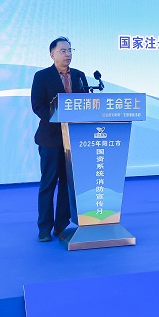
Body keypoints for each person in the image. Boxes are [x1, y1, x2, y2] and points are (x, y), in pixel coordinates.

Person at [31, 36, 89, 242]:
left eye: (70, 50)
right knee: (48, 184)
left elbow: (86, 104)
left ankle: (61, 225)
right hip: (51, 139)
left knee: (67, 183)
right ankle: (44, 228)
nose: (68, 54)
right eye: (63, 51)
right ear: (52, 54)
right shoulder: (42, 76)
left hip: (74, 139)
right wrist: (58, 119)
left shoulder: (79, 76)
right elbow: (37, 105)